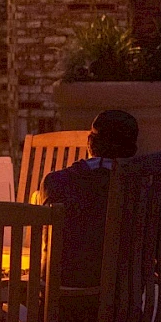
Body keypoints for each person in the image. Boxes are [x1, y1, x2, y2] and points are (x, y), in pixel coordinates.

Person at [39, 110, 139, 294]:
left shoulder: (55, 183)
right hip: (122, 311)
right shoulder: (141, 189)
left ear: (90, 142)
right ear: (132, 150)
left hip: (64, 307)